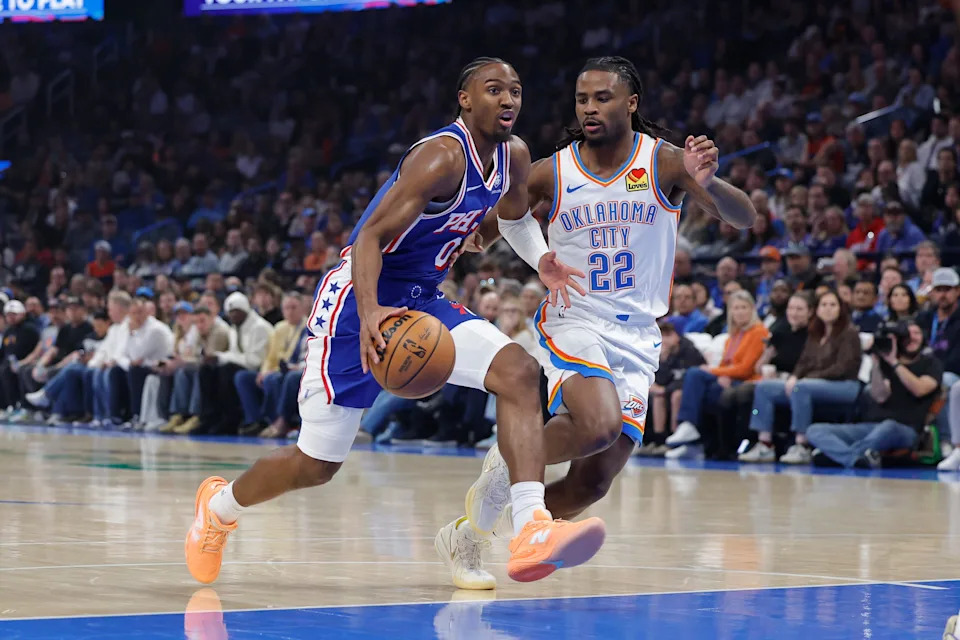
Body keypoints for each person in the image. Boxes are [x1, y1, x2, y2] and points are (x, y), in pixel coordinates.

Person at [185, 57, 605, 587]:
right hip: (356, 301)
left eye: (516, 92)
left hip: (421, 298)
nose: (508, 101)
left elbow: (517, 219)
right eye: (493, 90)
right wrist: (369, 315)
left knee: (518, 371)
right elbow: (368, 238)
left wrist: (540, 258)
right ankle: (218, 508)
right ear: (465, 99)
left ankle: (531, 528)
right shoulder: (439, 158)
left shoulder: (514, 156)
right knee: (316, 464)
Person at [437, 55, 756, 588]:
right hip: (575, 317)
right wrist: (474, 237)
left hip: (638, 334)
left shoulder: (663, 163)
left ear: (631, 103)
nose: (589, 108)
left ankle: (475, 525)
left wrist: (712, 183)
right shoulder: (554, 169)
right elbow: (501, 221)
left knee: (593, 482)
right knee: (597, 424)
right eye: (582, 99)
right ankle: (515, 473)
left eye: (602, 97)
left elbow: (743, 216)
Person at [738, 291, 862, 464]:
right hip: (811, 383)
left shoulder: (849, 333)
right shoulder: (815, 333)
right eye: (824, 305)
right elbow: (803, 362)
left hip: (845, 386)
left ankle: (801, 444)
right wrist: (794, 376)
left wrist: (805, 379)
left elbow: (842, 368)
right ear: (817, 310)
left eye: (832, 305)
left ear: (841, 309)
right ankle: (764, 442)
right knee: (764, 388)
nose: (827, 309)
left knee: (800, 388)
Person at [807, 321, 942, 468]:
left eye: (916, 333)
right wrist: (876, 363)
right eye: (907, 334)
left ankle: (838, 455)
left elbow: (920, 389)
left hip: (906, 429)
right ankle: (855, 459)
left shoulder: (931, 363)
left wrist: (894, 362)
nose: (911, 338)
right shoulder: (884, 362)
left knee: (888, 427)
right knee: (815, 430)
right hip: (872, 426)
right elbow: (880, 396)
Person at [665, 290, 768, 458]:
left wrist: (714, 371)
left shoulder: (758, 332)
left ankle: (689, 427)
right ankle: (695, 443)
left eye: (744, 307)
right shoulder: (733, 336)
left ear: (752, 310)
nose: (740, 312)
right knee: (704, 391)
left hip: (746, 382)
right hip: (729, 379)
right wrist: (721, 374)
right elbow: (726, 364)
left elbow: (745, 369)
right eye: (736, 308)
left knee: (695, 374)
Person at [638, 321, 706, 456]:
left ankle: (676, 440)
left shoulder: (689, 350)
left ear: (677, 335)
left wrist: (666, 389)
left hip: (687, 390)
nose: (665, 339)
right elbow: (659, 380)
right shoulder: (660, 351)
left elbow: (688, 375)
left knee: (677, 396)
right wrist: (663, 360)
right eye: (662, 335)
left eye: (669, 334)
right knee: (658, 398)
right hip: (669, 389)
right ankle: (659, 441)